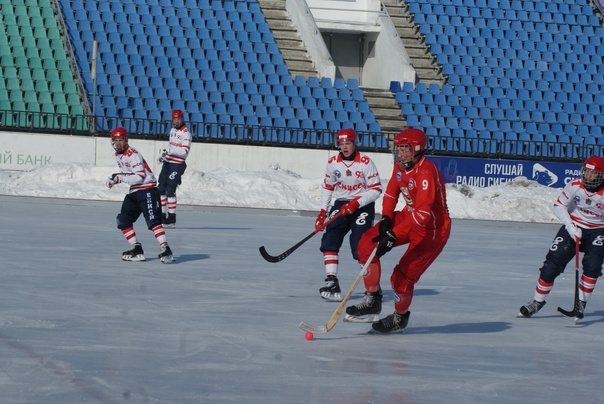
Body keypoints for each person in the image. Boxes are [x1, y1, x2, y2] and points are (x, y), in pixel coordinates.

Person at [345, 128, 451, 334]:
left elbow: (422, 213)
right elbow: (392, 192)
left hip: (431, 231)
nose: (401, 153)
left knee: (402, 278)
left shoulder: (426, 172)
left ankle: (399, 318)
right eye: (399, 149)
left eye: (406, 149)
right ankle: (373, 298)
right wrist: (386, 218)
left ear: (418, 149)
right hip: (408, 217)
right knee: (367, 244)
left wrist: (392, 235)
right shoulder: (400, 166)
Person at [518, 155, 604, 320]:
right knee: (551, 265)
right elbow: (559, 207)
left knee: (593, 265)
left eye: (593, 174)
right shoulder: (574, 185)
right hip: (573, 226)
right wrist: (571, 227)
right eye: (585, 172)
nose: (588, 176)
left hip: (599, 230)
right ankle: (537, 302)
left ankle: (581, 304)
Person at [315, 128, 382, 301]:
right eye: (341, 144)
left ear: (355, 143)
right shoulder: (333, 163)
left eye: (348, 143)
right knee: (330, 236)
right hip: (342, 203)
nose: (345, 147)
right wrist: (323, 211)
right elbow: (328, 186)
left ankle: (372, 287)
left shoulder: (365, 163)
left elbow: (376, 190)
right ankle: (332, 281)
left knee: (360, 245)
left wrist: (356, 203)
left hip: (362, 205)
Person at [106, 127, 175, 263]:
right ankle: (136, 248)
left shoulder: (133, 154)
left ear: (126, 140)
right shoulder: (118, 156)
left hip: (147, 189)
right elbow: (127, 175)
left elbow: (139, 176)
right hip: (134, 191)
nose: (118, 143)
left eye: (120, 140)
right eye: (115, 140)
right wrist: (114, 179)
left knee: (153, 220)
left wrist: (119, 178)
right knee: (123, 220)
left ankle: (165, 248)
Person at [157, 109, 192, 228]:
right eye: (174, 119)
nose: (176, 121)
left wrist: (171, 151)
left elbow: (184, 151)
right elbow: (170, 147)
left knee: (170, 190)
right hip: (168, 162)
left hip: (177, 164)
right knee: (160, 188)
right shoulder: (172, 130)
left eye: (178, 119)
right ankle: (162, 215)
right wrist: (164, 155)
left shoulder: (186, 133)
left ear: (182, 119)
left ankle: (171, 219)